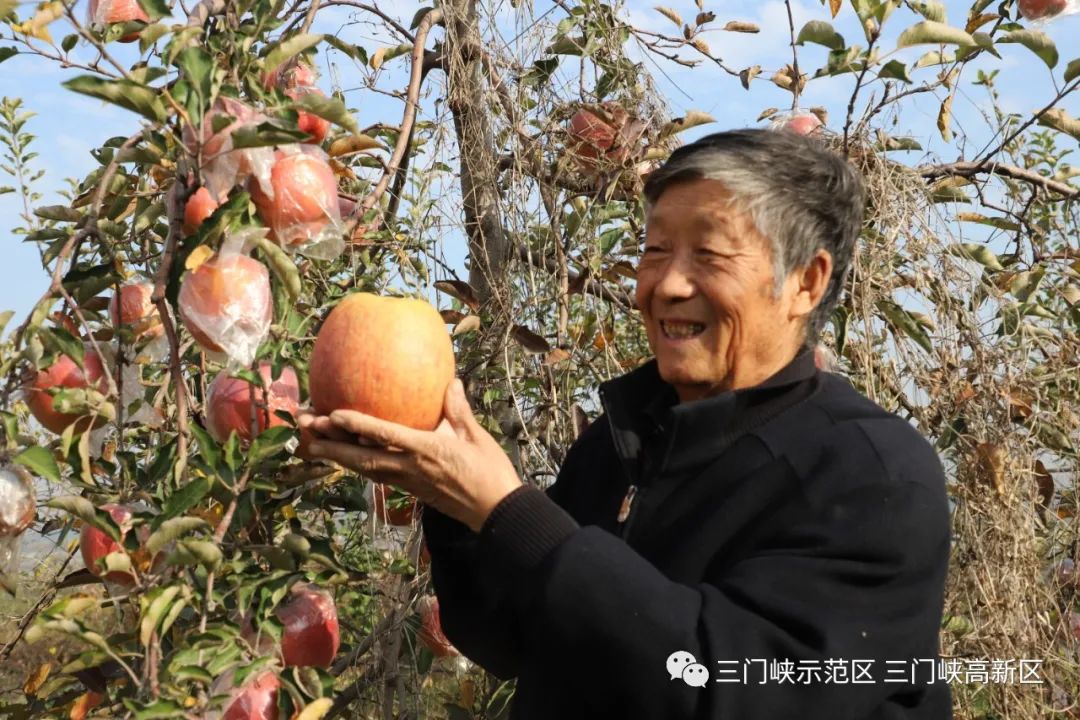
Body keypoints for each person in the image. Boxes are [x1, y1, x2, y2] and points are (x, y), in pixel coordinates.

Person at [299, 128, 952, 719]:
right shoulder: (624, 444)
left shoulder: (871, 477)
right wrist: (452, 503)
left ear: (806, 283)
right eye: (655, 249)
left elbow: (715, 684)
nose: (666, 284)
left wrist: (509, 510)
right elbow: (515, 639)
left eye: (709, 255)